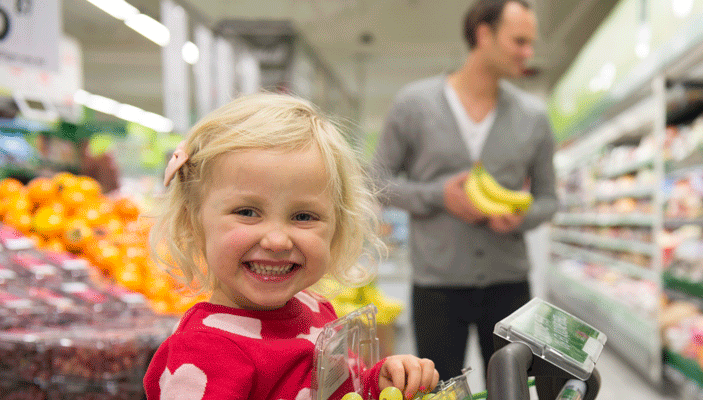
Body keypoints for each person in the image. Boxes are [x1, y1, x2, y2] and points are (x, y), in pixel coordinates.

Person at [144, 93, 439, 400]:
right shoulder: (203, 353)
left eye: (303, 216)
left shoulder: (315, 308)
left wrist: (378, 382)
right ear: (192, 221)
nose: (277, 241)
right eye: (247, 212)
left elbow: (334, 390)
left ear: (337, 228)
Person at [373, 0, 558, 380]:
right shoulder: (414, 104)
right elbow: (375, 181)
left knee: (513, 387)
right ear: (484, 34)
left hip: (509, 285)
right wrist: (438, 196)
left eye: (530, 43)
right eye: (519, 41)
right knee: (440, 387)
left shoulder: (533, 117)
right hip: (436, 286)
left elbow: (549, 199)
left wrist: (522, 217)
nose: (528, 52)